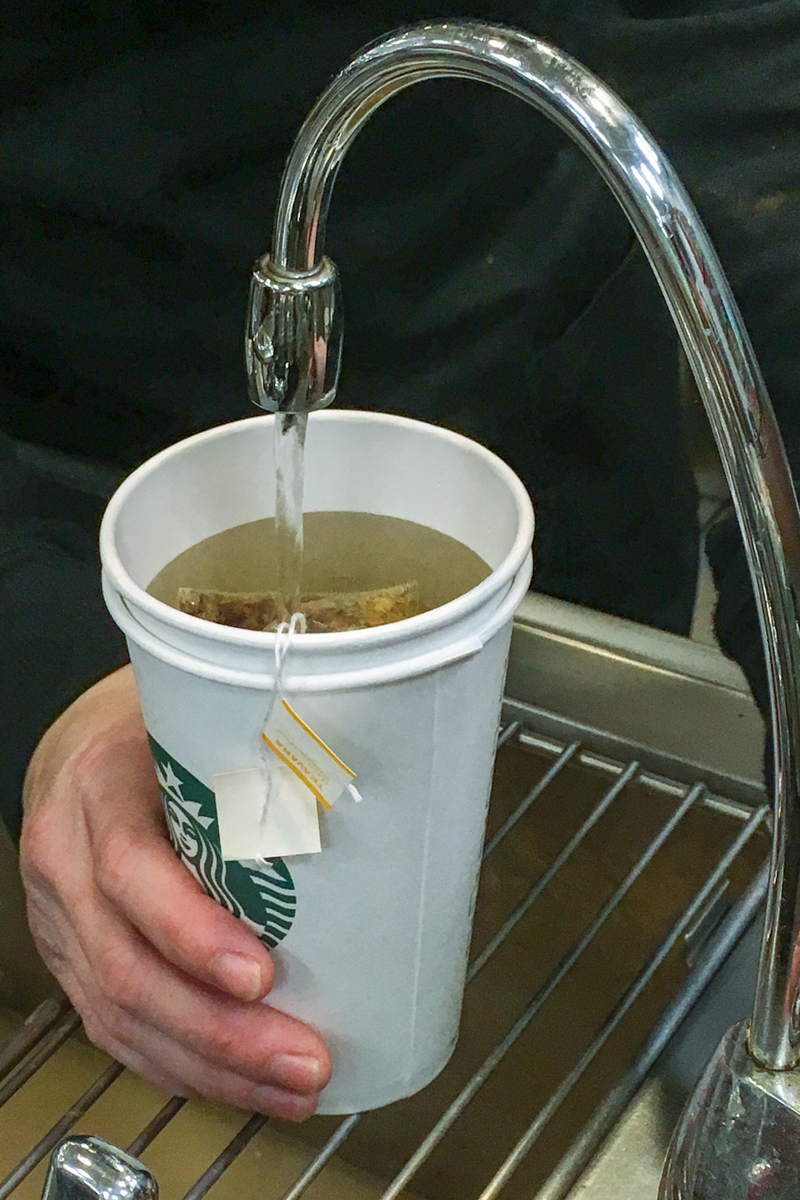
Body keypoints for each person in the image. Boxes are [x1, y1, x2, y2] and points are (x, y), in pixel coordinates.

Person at [2, 0, 794, 1116]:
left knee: (571, 984)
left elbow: (752, 61)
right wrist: (34, 651)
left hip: (520, 362)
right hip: (57, 442)